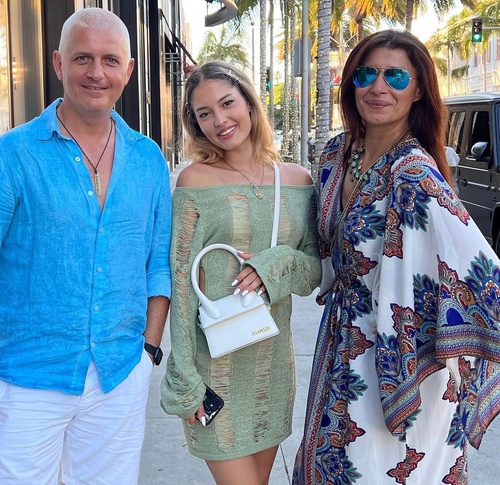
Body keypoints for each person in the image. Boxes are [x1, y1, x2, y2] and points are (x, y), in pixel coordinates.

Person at [293, 30, 500, 484]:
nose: (378, 87)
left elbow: (482, 273)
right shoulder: (335, 154)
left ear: (419, 89)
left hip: (403, 357)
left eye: (396, 76)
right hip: (341, 340)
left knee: (378, 469)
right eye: (366, 74)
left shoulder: (414, 174)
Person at [0, 8, 171, 484]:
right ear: (58, 64)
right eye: (83, 58)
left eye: (110, 60)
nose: (97, 72)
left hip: (119, 373)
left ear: (128, 71)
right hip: (26, 376)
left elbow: (158, 264)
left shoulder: (148, 159)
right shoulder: (12, 154)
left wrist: (147, 354)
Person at [160, 60, 321, 485]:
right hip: (212, 370)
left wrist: (273, 265)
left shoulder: (297, 180)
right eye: (204, 113)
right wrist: (184, 377)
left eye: (227, 103)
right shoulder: (195, 181)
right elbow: (181, 282)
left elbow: (313, 272)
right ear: (196, 124)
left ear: (249, 102)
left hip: (272, 367)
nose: (219, 120)